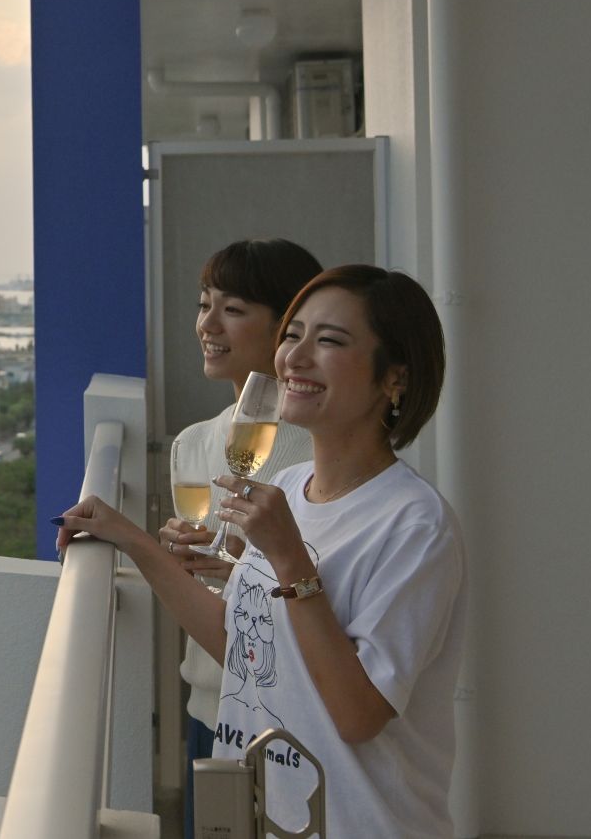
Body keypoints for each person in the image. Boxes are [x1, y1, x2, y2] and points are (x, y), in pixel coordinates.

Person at [58, 265, 464, 837]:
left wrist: (290, 560)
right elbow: (240, 643)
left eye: (329, 341)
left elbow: (358, 715)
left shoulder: (414, 525)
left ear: (394, 378)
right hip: (258, 812)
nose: (294, 358)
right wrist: (133, 540)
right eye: (293, 335)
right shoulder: (292, 487)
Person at [160, 239, 321, 837]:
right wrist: (180, 550)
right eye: (204, 305)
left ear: (287, 326)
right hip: (209, 703)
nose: (207, 323)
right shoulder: (193, 443)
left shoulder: (316, 443)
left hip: (290, 714)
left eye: (231, 308)